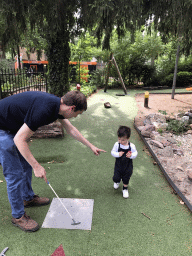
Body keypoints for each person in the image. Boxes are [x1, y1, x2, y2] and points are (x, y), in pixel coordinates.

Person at [0, 90, 106, 232]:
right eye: (77, 114)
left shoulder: (57, 106)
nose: (75, 117)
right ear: (72, 108)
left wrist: (90, 145)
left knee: (26, 165)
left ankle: (27, 198)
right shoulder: (44, 109)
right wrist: (37, 166)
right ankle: (18, 216)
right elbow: (19, 139)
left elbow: (71, 129)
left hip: (12, 125)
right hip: (2, 128)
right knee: (15, 174)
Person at [111, 126, 138, 198]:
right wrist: (118, 154)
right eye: (119, 139)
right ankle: (117, 181)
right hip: (118, 165)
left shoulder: (131, 146)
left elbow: (135, 153)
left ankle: (125, 189)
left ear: (128, 138)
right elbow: (112, 152)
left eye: (123, 140)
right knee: (116, 177)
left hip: (128, 166)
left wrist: (131, 155)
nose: (120, 141)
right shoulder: (117, 144)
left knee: (126, 177)